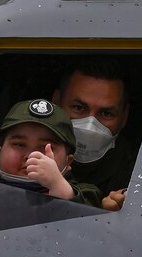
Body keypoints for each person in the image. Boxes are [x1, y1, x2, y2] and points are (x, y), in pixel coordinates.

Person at [52, 58, 135, 211]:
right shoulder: (25, 151)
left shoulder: (137, 176)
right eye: (78, 108)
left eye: (106, 113)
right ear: (56, 102)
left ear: (124, 117)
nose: (90, 125)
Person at [0, 99, 102, 207]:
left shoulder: (86, 194)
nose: (31, 156)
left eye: (44, 147)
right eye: (20, 145)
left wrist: (57, 185)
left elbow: (83, 218)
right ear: (1, 151)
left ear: (68, 162)